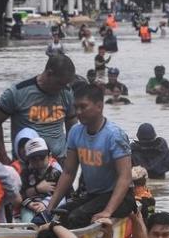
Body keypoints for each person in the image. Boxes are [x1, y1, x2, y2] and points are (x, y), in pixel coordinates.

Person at [48, 84, 136, 229]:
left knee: (77, 217)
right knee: (60, 214)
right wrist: (49, 208)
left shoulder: (114, 135)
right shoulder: (75, 132)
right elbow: (69, 172)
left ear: (99, 106)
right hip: (93, 195)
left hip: (121, 197)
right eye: (76, 107)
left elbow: (125, 177)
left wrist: (108, 211)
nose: (78, 112)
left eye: (83, 107)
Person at [0, 54, 76, 165]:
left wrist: (71, 153)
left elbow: (72, 123)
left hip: (59, 162)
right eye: (59, 84)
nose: (62, 89)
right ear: (49, 74)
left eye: (65, 85)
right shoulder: (17, 93)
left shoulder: (66, 92)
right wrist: (3, 156)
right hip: (27, 165)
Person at [19, 137, 65, 224]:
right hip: (30, 205)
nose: (38, 161)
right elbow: (21, 193)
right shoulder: (26, 173)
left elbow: (63, 195)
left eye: (41, 158)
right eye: (34, 159)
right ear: (28, 160)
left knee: (51, 219)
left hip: (52, 205)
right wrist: (29, 204)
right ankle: (27, 233)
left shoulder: (56, 173)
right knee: (27, 221)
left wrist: (45, 204)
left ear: (49, 156)